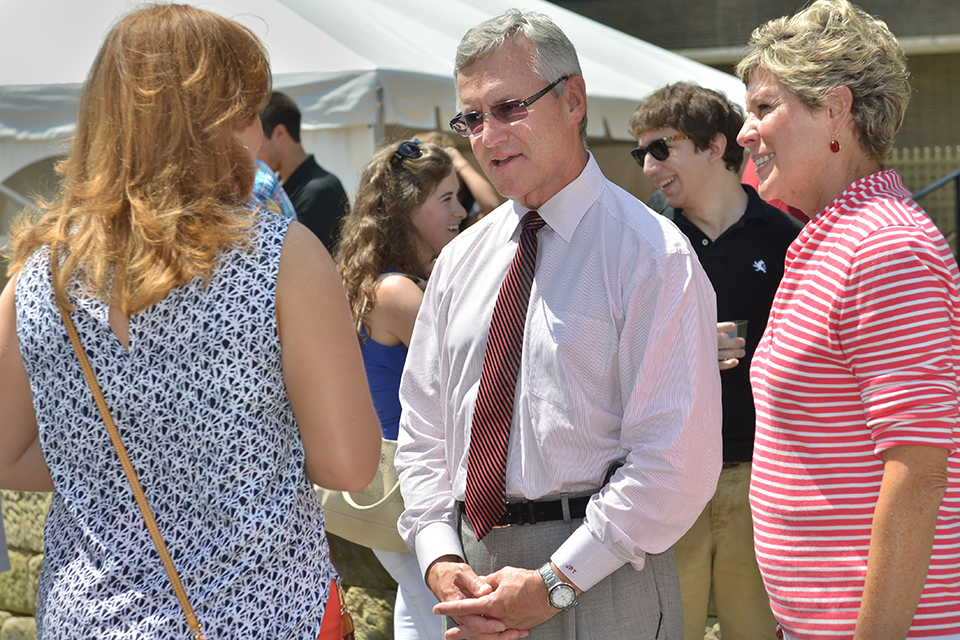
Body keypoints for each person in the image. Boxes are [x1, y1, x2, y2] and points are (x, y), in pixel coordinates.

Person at [0, 5, 381, 638]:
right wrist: (218, 454)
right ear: (209, 122)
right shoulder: (280, 256)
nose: (260, 135)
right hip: (259, 612)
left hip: (86, 617)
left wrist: (132, 462)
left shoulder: (38, 276)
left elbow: (7, 456)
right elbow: (349, 465)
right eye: (247, 112)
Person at [395, 9, 722, 640]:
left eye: (509, 107)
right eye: (471, 118)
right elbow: (423, 430)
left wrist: (555, 582)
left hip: (603, 577)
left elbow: (675, 463)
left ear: (573, 100)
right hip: (476, 577)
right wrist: (440, 557)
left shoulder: (652, 254)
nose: (487, 136)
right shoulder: (463, 259)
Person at [736, 1, 960, 638]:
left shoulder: (884, 248)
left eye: (763, 107)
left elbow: (916, 469)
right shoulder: (833, 239)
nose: (746, 133)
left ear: (835, 109)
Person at [629, 81, 802, 640]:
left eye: (662, 148)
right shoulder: (645, 242)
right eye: (641, 154)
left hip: (761, 475)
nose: (649, 167)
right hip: (669, 475)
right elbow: (610, 356)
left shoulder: (788, 241)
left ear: (713, 145)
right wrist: (688, 349)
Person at [335, 139, 466, 639]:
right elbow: (467, 369)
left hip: (398, 480)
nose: (461, 210)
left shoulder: (386, 280)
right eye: (446, 200)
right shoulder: (395, 290)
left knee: (416, 604)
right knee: (437, 608)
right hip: (406, 482)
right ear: (408, 211)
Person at [257, 91, 350, 250]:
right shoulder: (284, 186)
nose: (253, 151)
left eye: (258, 141)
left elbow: (292, 256)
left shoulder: (319, 192)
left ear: (279, 133)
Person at [415, 131, 500, 227]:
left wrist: (461, 164)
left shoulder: (462, 215)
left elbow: (492, 209)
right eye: (446, 198)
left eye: (458, 194)